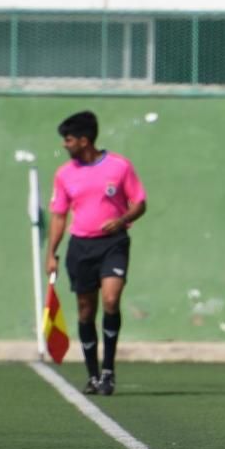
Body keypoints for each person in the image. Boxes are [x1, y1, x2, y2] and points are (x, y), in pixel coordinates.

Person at [46, 110, 147, 396]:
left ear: (84, 140)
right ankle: (92, 374)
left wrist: (122, 218)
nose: (65, 145)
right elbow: (58, 216)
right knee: (85, 310)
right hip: (80, 247)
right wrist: (51, 253)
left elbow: (140, 203)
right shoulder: (64, 174)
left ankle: (108, 371)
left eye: (68, 139)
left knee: (111, 300)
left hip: (113, 244)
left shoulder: (119, 166)